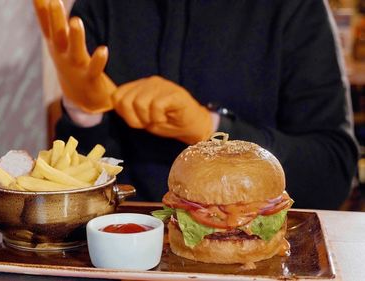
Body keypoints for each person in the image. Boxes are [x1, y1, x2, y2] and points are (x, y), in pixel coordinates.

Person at [33, 0, 359, 209]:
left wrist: (213, 129)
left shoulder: (295, 8)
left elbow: (331, 174)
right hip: (124, 247)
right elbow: (82, 192)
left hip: (261, 256)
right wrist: (82, 113)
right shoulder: (101, 7)